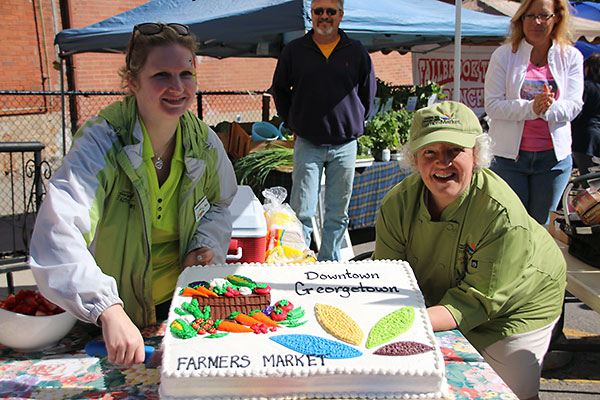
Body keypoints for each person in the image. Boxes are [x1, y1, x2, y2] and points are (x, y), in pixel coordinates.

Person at [28, 23, 238, 367]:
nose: (177, 87)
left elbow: (220, 203)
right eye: (161, 75)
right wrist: (106, 308)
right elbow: (58, 230)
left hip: (176, 309)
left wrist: (203, 244)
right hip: (106, 320)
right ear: (133, 81)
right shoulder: (102, 142)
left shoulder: (203, 142)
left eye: (186, 73)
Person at [372, 101, 566, 400]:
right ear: (414, 158)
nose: (442, 162)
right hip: (446, 299)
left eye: (455, 151)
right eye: (430, 152)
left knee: (509, 393)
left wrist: (401, 323)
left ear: (476, 155)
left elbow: (477, 302)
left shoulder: (501, 215)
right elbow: (387, 277)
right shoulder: (397, 203)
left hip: (517, 304)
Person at [271, 0, 376, 261]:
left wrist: (355, 121)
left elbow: (368, 93)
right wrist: (293, 122)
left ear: (341, 15)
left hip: (345, 145)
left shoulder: (356, 51)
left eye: (331, 11)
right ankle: (300, 262)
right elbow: (280, 90)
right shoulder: (295, 51)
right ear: (311, 14)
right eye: (319, 11)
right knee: (302, 212)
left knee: (338, 214)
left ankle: (329, 263)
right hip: (308, 143)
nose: (324, 16)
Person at [484, 0, 584, 225]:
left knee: (541, 228)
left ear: (557, 17)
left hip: (553, 161)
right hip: (508, 159)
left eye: (543, 15)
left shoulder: (571, 57)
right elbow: (493, 105)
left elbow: (574, 106)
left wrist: (548, 107)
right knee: (511, 226)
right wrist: (531, 108)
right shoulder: (503, 55)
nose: (536, 22)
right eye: (529, 16)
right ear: (521, 18)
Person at [571, 52, 600, 177]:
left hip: (584, 137)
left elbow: (577, 112)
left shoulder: (586, 87)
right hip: (596, 134)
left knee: (587, 178)